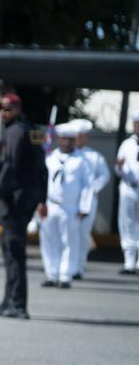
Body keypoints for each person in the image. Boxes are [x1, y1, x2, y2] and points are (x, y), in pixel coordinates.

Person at [0, 92, 47, 319]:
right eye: (1, 108)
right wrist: (43, 199)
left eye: (8, 108)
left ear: (18, 109)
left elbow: (10, 166)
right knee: (11, 248)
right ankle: (9, 300)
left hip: (17, 198)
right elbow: (42, 168)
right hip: (29, 197)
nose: (3, 112)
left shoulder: (15, 132)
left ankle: (17, 304)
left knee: (13, 249)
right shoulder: (33, 130)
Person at [38, 123, 90, 289]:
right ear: (58, 140)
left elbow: (87, 185)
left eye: (70, 140)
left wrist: (84, 207)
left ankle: (65, 275)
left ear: (74, 141)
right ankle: (51, 274)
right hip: (51, 205)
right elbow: (42, 182)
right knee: (49, 241)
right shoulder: (50, 157)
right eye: (63, 139)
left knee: (69, 242)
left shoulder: (81, 160)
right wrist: (40, 203)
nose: (66, 143)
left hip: (70, 207)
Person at [69, 119, 110, 279]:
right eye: (76, 135)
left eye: (82, 135)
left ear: (86, 137)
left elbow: (104, 176)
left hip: (87, 201)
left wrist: (92, 189)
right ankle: (68, 266)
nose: (79, 138)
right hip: (69, 200)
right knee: (68, 234)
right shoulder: (66, 155)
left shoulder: (94, 156)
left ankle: (79, 267)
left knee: (83, 234)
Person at [117, 109, 139, 274]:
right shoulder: (127, 144)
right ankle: (129, 261)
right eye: (136, 124)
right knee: (127, 223)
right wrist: (119, 166)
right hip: (129, 187)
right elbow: (118, 169)